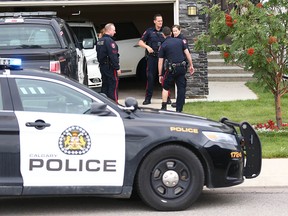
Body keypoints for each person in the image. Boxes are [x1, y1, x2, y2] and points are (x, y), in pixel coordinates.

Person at [158, 26, 194, 112]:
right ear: (171, 33)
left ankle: (164, 107)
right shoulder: (180, 41)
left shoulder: (163, 45)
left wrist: (160, 74)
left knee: (165, 87)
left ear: (163, 35)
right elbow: (187, 53)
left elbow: (160, 61)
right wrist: (191, 65)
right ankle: (179, 109)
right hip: (182, 68)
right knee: (181, 88)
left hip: (171, 69)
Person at [138, 14, 165, 105]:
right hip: (152, 58)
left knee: (164, 78)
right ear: (154, 21)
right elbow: (140, 42)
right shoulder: (149, 31)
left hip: (162, 58)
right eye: (158, 21)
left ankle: (167, 98)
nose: (160, 22)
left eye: (161, 21)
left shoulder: (165, 31)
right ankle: (148, 98)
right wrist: (147, 47)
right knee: (150, 78)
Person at [96, 23, 121, 103]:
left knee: (105, 86)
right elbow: (113, 56)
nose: (115, 32)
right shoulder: (110, 41)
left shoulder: (100, 41)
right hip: (110, 67)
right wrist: (117, 68)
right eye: (114, 30)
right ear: (109, 30)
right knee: (113, 85)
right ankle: (114, 104)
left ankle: (104, 104)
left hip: (102, 67)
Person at [170, 24, 190, 108]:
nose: (174, 33)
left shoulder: (182, 40)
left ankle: (180, 102)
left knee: (181, 84)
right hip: (176, 64)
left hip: (181, 64)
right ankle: (180, 101)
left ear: (180, 30)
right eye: (173, 31)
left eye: (176, 31)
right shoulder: (173, 39)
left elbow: (187, 52)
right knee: (179, 84)